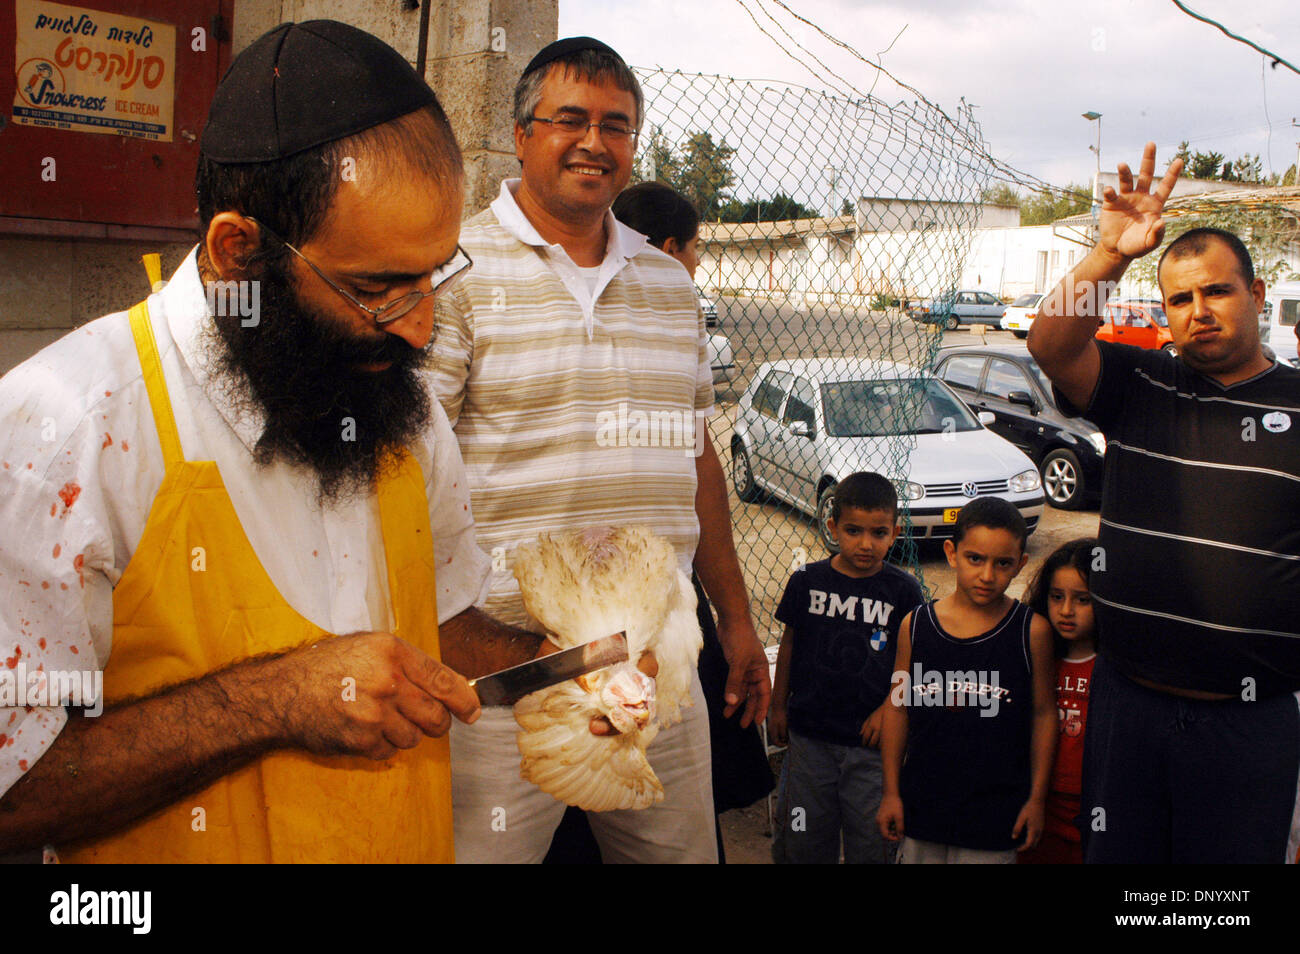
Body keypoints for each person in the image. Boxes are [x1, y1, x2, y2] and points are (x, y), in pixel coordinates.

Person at [0, 21, 550, 864]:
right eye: (378, 288)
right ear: (238, 252)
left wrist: (552, 665)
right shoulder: (66, 431)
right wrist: (279, 698)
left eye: (435, 274)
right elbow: (16, 793)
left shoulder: (395, 398)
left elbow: (433, 621)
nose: (420, 329)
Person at [430, 36, 770, 864]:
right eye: (570, 119)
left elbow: (697, 464)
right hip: (509, 670)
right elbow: (413, 478)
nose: (593, 142)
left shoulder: (671, 287)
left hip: (658, 664)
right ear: (521, 134)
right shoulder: (455, 275)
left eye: (615, 126)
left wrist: (736, 621)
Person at [1028, 143, 1300, 864]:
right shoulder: (1140, 385)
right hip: (1130, 708)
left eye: (1217, 291)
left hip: (1248, 725)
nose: (1197, 311)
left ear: (1258, 293)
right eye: (1180, 299)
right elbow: (1051, 345)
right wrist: (1106, 257)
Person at [877, 498, 1056, 864]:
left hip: (995, 817)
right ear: (952, 553)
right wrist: (891, 791)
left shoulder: (1031, 632)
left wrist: (1036, 799)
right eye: (976, 558)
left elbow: (1043, 715)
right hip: (922, 807)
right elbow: (897, 710)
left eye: (1002, 563)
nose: (987, 575)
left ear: (1020, 565)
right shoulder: (916, 626)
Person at [767, 472, 923, 864]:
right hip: (809, 739)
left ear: (895, 531)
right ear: (832, 526)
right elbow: (790, 643)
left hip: (871, 748)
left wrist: (890, 706)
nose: (866, 544)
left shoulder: (903, 592)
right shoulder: (807, 580)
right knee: (803, 838)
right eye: (853, 530)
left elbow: (913, 660)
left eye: (879, 532)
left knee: (871, 843)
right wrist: (778, 705)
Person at [1017, 538, 1098, 865]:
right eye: (1056, 597)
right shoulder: (1035, 654)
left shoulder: (1118, 670)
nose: (1066, 610)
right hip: (1040, 804)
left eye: (1082, 600)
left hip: (1093, 810)